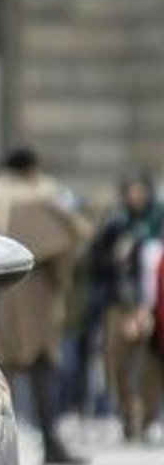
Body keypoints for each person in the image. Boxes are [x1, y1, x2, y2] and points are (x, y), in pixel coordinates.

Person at [0, 147, 96, 465]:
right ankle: (52, 443)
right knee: (43, 368)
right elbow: (75, 234)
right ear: (32, 169)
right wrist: (61, 280)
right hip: (35, 297)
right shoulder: (40, 197)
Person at [89, 174, 164, 443]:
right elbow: (95, 264)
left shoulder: (158, 223)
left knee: (150, 365)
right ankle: (127, 413)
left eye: (140, 192)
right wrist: (114, 258)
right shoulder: (116, 225)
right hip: (121, 303)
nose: (136, 197)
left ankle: (148, 419)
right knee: (117, 361)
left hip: (155, 305)